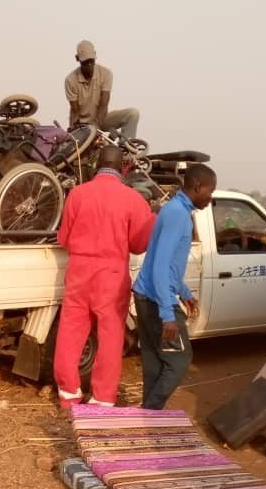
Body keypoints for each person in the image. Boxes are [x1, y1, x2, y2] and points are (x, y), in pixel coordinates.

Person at [54, 146, 154, 408]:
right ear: (123, 168)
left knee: (71, 331)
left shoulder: (77, 194)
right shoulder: (133, 199)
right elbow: (139, 244)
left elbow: (63, 238)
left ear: (96, 165)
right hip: (111, 274)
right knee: (110, 336)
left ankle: (68, 392)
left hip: (78, 271)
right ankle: (102, 397)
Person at [133, 164, 217, 409]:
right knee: (180, 361)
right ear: (197, 186)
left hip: (146, 294)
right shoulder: (177, 214)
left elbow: (167, 265)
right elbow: (159, 265)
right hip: (156, 299)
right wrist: (168, 313)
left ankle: (148, 417)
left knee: (155, 362)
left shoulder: (174, 210)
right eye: (209, 192)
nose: (210, 198)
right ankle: (151, 410)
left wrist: (185, 293)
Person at [65, 40, 140, 140]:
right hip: (82, 125)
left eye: (91, 61)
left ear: (95, 56)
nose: (89, 65)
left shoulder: (106, 74)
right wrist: (76, 129)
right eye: (85, 62)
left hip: (101, 120)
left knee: (133, 114)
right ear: (77, 59)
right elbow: (75, 111)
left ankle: (126, 147)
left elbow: (104, 105)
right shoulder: (70, 80)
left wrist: (95, 126)